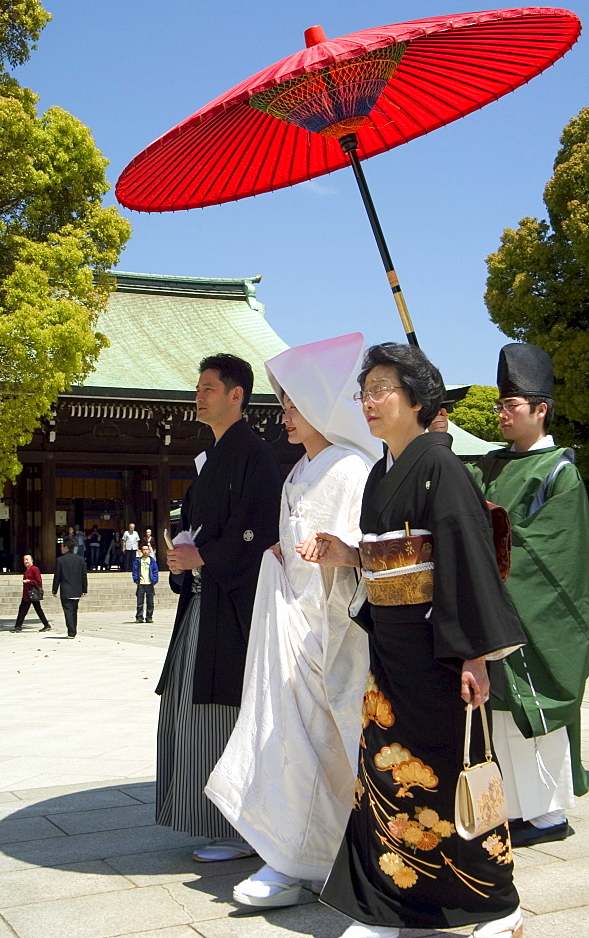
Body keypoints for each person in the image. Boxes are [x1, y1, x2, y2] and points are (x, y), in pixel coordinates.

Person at [311, 343, 526, 938]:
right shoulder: (382, 471)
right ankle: (390, 905)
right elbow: (389, 558)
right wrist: (349, 554)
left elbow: (466, 559)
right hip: (392, 653)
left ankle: (496, 903)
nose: (368, 401)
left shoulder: (442, 465)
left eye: (380, 388)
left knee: (458, 770)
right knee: (383, 777)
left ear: (417, 397)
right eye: (365, 391)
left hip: (441, 653)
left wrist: (474, 655)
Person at [206, 334, 381, 908]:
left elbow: (362, 551)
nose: (284, 415)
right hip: (290, 620)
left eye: (294, 404)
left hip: (332, 629)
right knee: (283, 736)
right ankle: (289, 854)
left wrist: (336, 554)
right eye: (282, 404)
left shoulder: (353, 467)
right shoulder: (297, 471)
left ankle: (324, 855)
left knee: (329, 744)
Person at [156, 353, 282, 861]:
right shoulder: (211, 460)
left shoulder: (256, 455)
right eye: (198, 386)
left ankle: (239, 827)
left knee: (222, 711)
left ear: (237, 395)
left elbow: (259, 534)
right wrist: (183, 555)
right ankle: (202, 815)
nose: (199, 395)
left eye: (209, 387)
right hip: (203, 607)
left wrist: (203, 554)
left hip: (234, 611)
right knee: (183, 709)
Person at [465, 343, 589, 848]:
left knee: (529, 711)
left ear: (541, 409)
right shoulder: (489, 465)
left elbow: (556, 551)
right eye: (499, 404)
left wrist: (495, 534)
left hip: (535, 613)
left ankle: (548, 813)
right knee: (497, 713)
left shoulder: (562, 471)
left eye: (511, 405)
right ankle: (515, 809)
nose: (501, 413)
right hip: (496, 603)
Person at [52, 537, 88, 638]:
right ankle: (73, 630)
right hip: (77, 590)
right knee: (74, 611)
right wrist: (84, 589)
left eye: (62, 546)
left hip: (66, 590)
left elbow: (57, 576)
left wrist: (54, 589)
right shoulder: (80, 559)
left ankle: (71, 632)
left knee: (68, 611)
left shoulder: (60, 560)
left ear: (66, 547)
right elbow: (84, 575)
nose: (61, 548)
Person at [12, 554, 50, 632]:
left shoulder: (34, 569)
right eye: (24, 560)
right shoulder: (27, 570)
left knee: (27, 609)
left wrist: (29, 581)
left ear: (31, 560)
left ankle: (18, 626)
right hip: (27, 594)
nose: (26, 562)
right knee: (26, 609)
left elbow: (38, 581)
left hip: (32, 593)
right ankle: (46, 625)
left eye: (27, 560)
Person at [132, 542, 159, 622]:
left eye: (147, 549)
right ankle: (139, 617)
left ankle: (149, 617)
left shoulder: (152, 561)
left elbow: (155, 571)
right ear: (141, 551)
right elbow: (135, 571)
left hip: (150, 584)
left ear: (149, 550)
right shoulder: (138, 561)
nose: (145, 551)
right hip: (141, 584)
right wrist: (136, 580)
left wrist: (154, 580)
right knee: (140, 603)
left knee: (150, 603)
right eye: (143, 549)